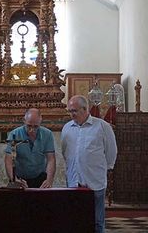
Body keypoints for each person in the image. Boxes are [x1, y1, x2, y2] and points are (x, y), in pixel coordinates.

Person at [61, 95, 117, 233]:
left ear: (85, 109)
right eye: (70, 111)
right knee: (74, 218)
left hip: (95, 180)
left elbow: (111, 151)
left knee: (97, 221)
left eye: (74, 110)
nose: (71, 114)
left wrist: (107, 168)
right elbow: (65, 151)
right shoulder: (67, 128)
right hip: (74, 180)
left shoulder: (102, 126)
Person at [4, 108, 56, 188]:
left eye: (35, 127)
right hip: (20, 178)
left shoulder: (47, 134)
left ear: (40, 122)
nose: (32, 130)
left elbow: (51, 159)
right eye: (29, 126)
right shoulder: (14, 134)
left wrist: (49, 179)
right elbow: (8, 160)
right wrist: (13, 178)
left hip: (40, 176)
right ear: (24, 121)